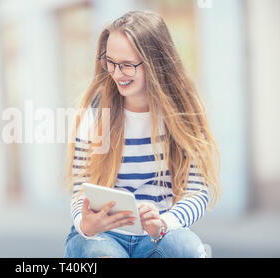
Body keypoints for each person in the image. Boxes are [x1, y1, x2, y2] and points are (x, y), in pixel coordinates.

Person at [63, 10, 221, 258]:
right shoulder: (94, 113)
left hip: (161, 232)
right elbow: (79, 187)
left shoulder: (185, 113)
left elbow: (196, 191)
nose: (116, 73)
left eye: (127, 65)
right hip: (104, 235)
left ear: (156, 63)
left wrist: (164, 223)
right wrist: (85, 225)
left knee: (185, 248)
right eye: (110, 62)